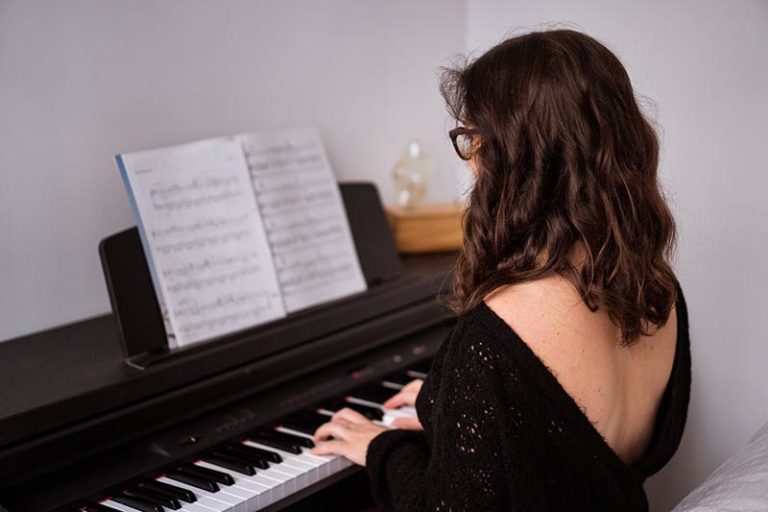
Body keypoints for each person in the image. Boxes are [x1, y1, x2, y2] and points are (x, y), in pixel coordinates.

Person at [310, 29, 690, 511]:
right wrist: (452, 407)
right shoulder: (658, 290)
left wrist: (380, 448)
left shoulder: (492, 338)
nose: (471, 160)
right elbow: (568, 450)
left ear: (512, 157)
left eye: (473, 138)